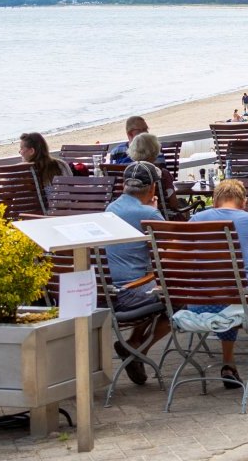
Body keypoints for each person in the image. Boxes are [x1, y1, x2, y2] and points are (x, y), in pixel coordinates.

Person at [190, 179, 248, 390]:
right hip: (244, 305)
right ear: (243, 202)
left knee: (227, 297)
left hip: (200, 305)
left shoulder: (196, 219)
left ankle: (228, 364)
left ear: (215, 202)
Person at [104, 162, 170, 385]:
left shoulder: (110, 209)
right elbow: (168, 252)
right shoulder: (149, 213)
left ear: (124, 186)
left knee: (153, 283)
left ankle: (132, 343)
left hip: (108, 290)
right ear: (152, 188)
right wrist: (155, 211)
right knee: (179, 302)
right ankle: (139, 349)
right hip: (130, 292)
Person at [19, 132, 72, 204]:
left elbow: (7, 196)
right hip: (64, 212)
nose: (20, 152)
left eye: (21, 148)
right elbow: (71, 190)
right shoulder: (62, 165)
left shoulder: (19, 171)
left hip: (32, 214)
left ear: (31, 151)